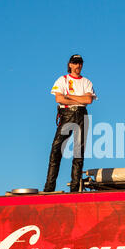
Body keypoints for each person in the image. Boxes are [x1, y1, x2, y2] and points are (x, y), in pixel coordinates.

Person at [43, 54, 97, 193]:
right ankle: (49, 187)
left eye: (80, 63)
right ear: (70, 65)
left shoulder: (87, 82)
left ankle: (74, 189)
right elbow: (59, 98)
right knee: (56, 149)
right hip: (66, 115)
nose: (78, 65)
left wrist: (69, 96)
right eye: (75, 63)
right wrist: (80, 99)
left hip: (81, 114)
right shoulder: (63, 80)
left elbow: (89, 100)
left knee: (78, 153)